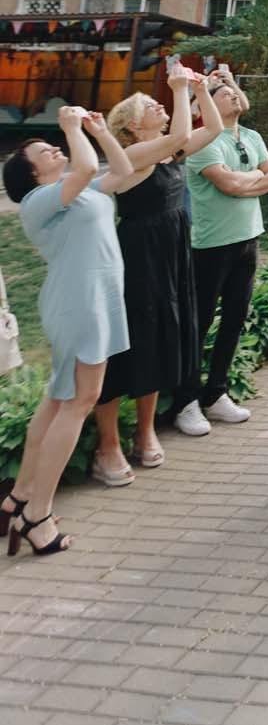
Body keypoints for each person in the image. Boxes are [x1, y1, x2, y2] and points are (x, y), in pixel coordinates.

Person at [1, 106, 164, 555]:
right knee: (79, 402)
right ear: (31, 175)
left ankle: (20, 497)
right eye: (45, 152)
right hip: (79, 304)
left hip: (94, 302)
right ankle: (37, 515)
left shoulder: (76, 191)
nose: (56, 150)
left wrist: (98, 130)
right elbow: (88, 166)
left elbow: (123, 172)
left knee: (59, 399)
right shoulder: (39, 201)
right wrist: (73, 129)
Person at [90, 65, 209, 483]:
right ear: (132, 126)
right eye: (149, 105)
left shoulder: (167, 152)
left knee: (158, 337)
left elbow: (210, 129)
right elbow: (179, 135)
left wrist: (200, 90)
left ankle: (145, 433)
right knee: (127, 343)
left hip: (170, 256)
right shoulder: (133, 157)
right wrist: (178, 88)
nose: (159, 105)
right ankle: (107, 444)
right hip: (137, 257)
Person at [174, 65, 268, 435]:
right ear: (207, 104)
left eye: (234, 90)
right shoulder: (203, 142)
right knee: (199, 323)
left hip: (248, 240)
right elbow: (229, 185)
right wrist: (254, 178)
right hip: (211, 246)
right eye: (223, 92)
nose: (233, 93)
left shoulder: (251, 136)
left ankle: (215, 393)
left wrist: (246, 180)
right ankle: (185, 401)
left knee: (234, 319)